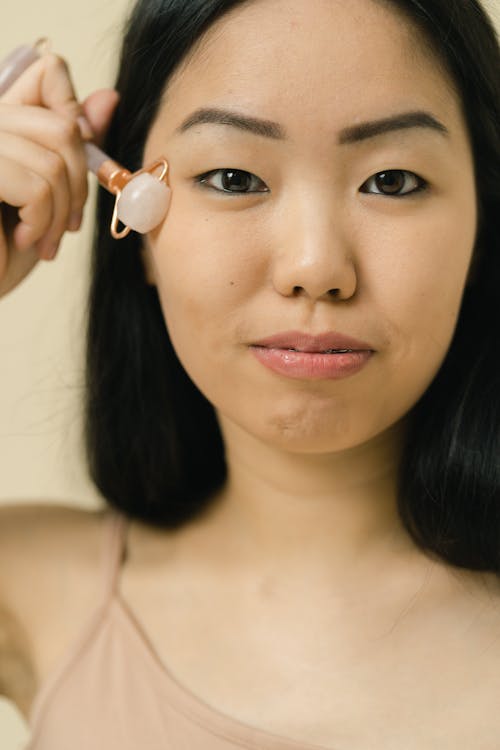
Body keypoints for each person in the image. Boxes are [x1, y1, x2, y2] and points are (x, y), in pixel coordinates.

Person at [0, 0, 499, 747]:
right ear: (136, 229)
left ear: (483, 228)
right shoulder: (30, 585)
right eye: (234, 177)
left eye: (392, 181)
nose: (316, 267)